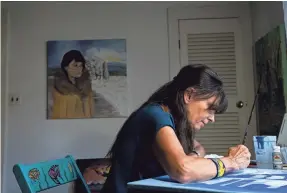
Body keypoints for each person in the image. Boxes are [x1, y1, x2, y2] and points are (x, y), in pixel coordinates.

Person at [100, 64, 251, 193]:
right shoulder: (156, 116)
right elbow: (183, 171)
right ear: (189, 95)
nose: (212, 118)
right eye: (209, 108)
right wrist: (231, 162)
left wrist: (192, 156)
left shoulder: (171, 117)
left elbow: (197, 146)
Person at [51, 50, 95, 119]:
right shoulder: (59, 89)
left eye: (81, 65)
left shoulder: (86, 86)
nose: (79, 69)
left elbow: (90, 112)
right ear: (66, 67)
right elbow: (58, 115)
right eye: (75, 65)